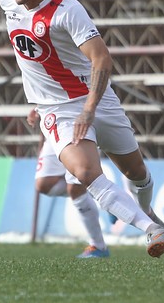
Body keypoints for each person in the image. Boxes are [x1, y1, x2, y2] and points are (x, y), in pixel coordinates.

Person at [0, 0, 164, 258]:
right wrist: (38, 97)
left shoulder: (67, 10)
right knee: (84, 173)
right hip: (56, 109)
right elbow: (32, 56)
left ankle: (148, 213)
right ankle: (151, 231)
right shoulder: (7, 0)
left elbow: (102, 59)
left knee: (136, 172)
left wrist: (89, 109)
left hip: (95, 99)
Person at [29, 108, 109, 258]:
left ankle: (98, 246)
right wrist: (37, 107)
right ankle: (105, 195)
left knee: (75, 189)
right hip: (54, 126)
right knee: (43, 184)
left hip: (77, 125)